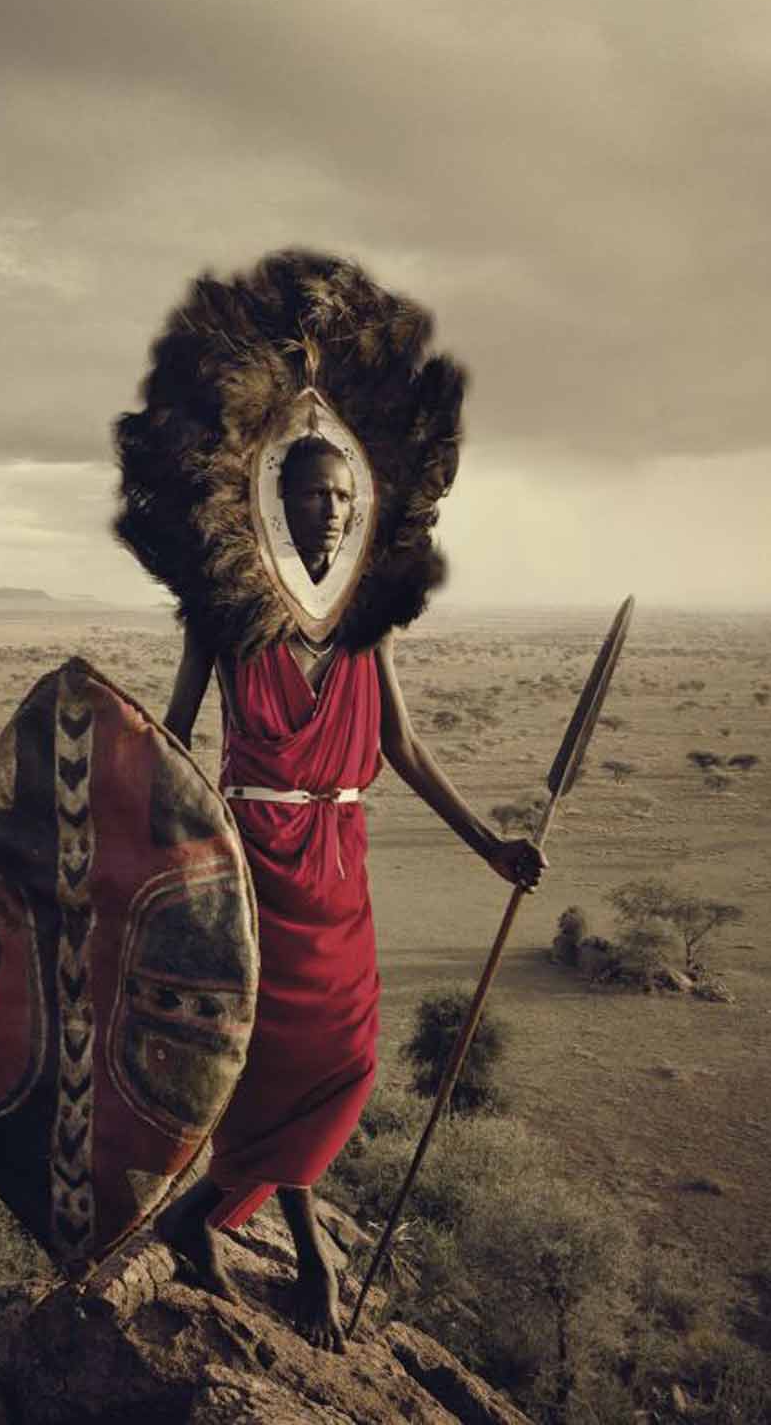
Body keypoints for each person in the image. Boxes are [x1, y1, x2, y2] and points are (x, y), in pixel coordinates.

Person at [154, 433, 545, 1351]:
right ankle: (311, 1257)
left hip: (336, 857)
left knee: (348, 1055)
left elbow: (401, 747)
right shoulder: (226, 609)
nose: (328, 511)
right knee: (271, 1063)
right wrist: (155, 838)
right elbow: (171, 733)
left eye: (341, 498)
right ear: (277, 507)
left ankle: (200, 1222)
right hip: (254, 855)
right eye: (311, 496)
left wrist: (488, 844)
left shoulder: (369, 615)